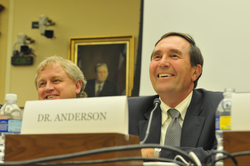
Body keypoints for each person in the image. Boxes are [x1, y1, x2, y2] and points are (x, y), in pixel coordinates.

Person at [128, 32, 223, 163]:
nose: (162, 63)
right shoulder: (129, 111)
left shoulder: (221, 107)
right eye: (157, 57)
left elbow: (226, 158)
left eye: (174, 55)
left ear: (195, 72)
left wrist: (157, 154)